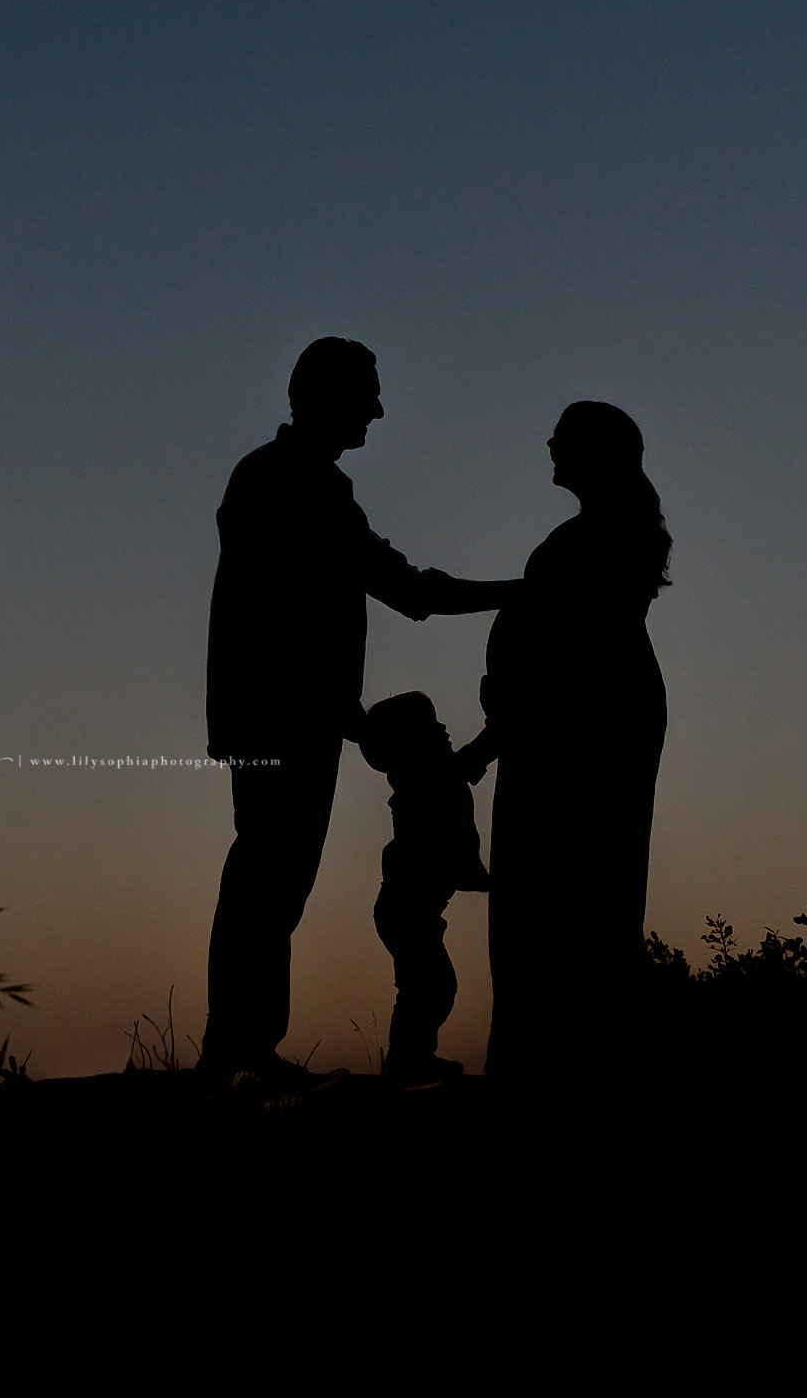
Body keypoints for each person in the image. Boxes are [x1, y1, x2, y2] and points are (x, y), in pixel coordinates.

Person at [199, 338, 515, 1087]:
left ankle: (244, 1046)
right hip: (275, 715)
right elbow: (274, 621)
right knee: (265, 876)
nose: (377, 409)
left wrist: (518, 590)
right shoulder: (271, 482)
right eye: (366, 393)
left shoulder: (325, 493)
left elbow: (410, 590)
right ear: (324, 395)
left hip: (310, 718)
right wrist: (349, 712)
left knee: (276, 881)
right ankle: (236, 1049)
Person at [460, 400, 671, 1081]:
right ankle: (561, 1058)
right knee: (560, 895)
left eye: (564, 436)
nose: (548, 442)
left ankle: (556, 1066)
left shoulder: (601, 540)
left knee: (564, 896)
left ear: (595, 452)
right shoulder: (596, 535)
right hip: (564, 725)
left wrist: (494, 738)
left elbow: (566, 658)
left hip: (578, 731)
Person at [359, 691, 491, 1085]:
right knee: (429, 985)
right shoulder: (425, 779)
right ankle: (408, 1059)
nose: (442, 727)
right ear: (406, 746)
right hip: (407, 911)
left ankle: (411, 1056)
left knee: (425, 985)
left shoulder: (431, 774)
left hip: (413, 910)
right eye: (429, 724)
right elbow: (470, 761)